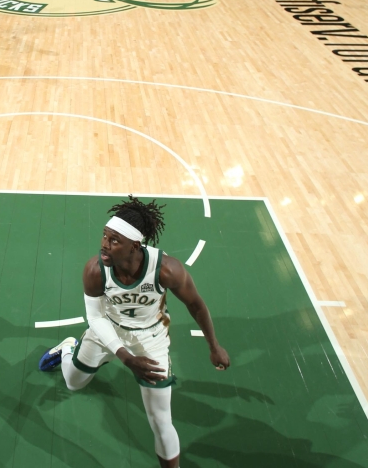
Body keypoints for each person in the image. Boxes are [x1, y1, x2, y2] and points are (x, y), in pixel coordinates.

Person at [38, 197, 231, 468]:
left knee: (161, 420)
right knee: (73, 383)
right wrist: (126, 358)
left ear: (135, 246)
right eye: (105, 235)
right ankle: (68, 348)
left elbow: (196, 305)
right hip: (107, 331)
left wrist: (214, 345)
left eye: (114, 240)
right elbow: (94, 317)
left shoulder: (166, 269)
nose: (104, 244)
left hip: (150, 338)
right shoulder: (95, 270)